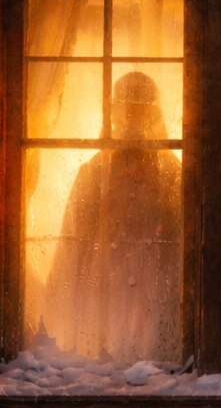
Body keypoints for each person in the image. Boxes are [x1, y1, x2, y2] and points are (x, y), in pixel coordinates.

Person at [47, 72, 182, 364]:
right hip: (102, 301)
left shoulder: (175, 175)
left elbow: (188, 249)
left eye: (142, 107)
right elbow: (68, 258)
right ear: (113, 114)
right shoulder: (92, 175)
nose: (134, 116)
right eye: (126, 107)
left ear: (155, 114)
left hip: (159, 302)